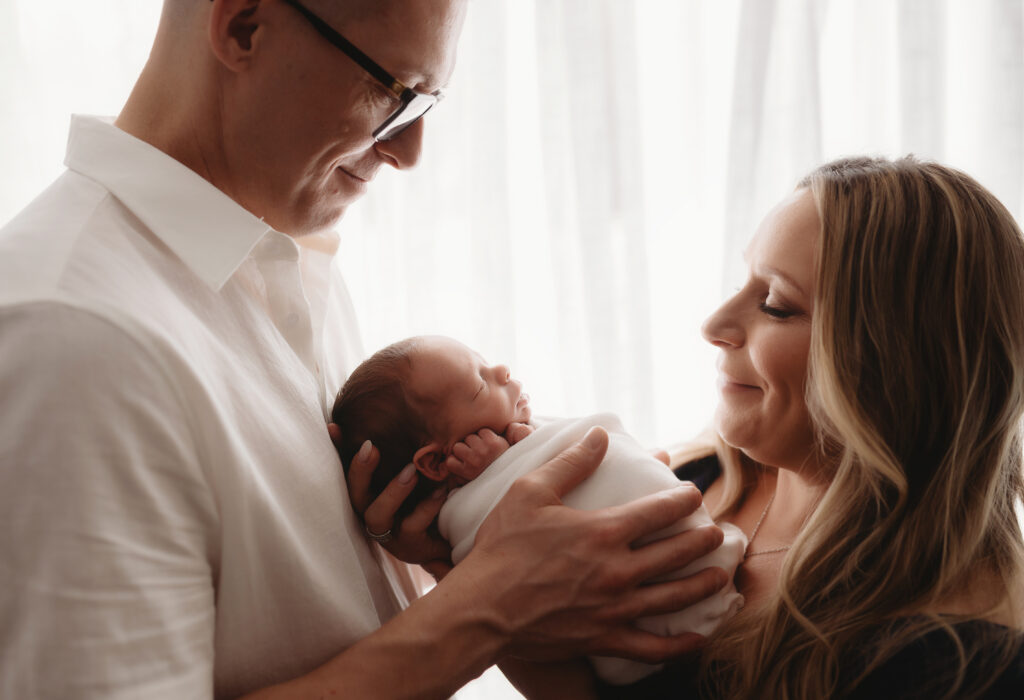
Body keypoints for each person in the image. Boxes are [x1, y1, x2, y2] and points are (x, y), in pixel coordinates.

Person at [0, 1, 730, 698]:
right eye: (394, 92)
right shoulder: (72, 336)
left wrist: (466, 562)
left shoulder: (281, 262)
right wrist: (488, 605)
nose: (409, 150)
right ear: (245, 25)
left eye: (426, 104)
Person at [601, 155, 1024, 699]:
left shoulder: (962, 663)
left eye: (776, 305)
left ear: (897, 363)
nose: (714, 326)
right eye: (743, 281)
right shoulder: (689, 482)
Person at [331, 334, 747, 685]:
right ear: (438, 463)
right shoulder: (473, 518)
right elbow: (507, 556)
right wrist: (505, 469)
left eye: (487, 365)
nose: (503, 372)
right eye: (480, 385)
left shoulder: (522, 436)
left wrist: (514, 452)